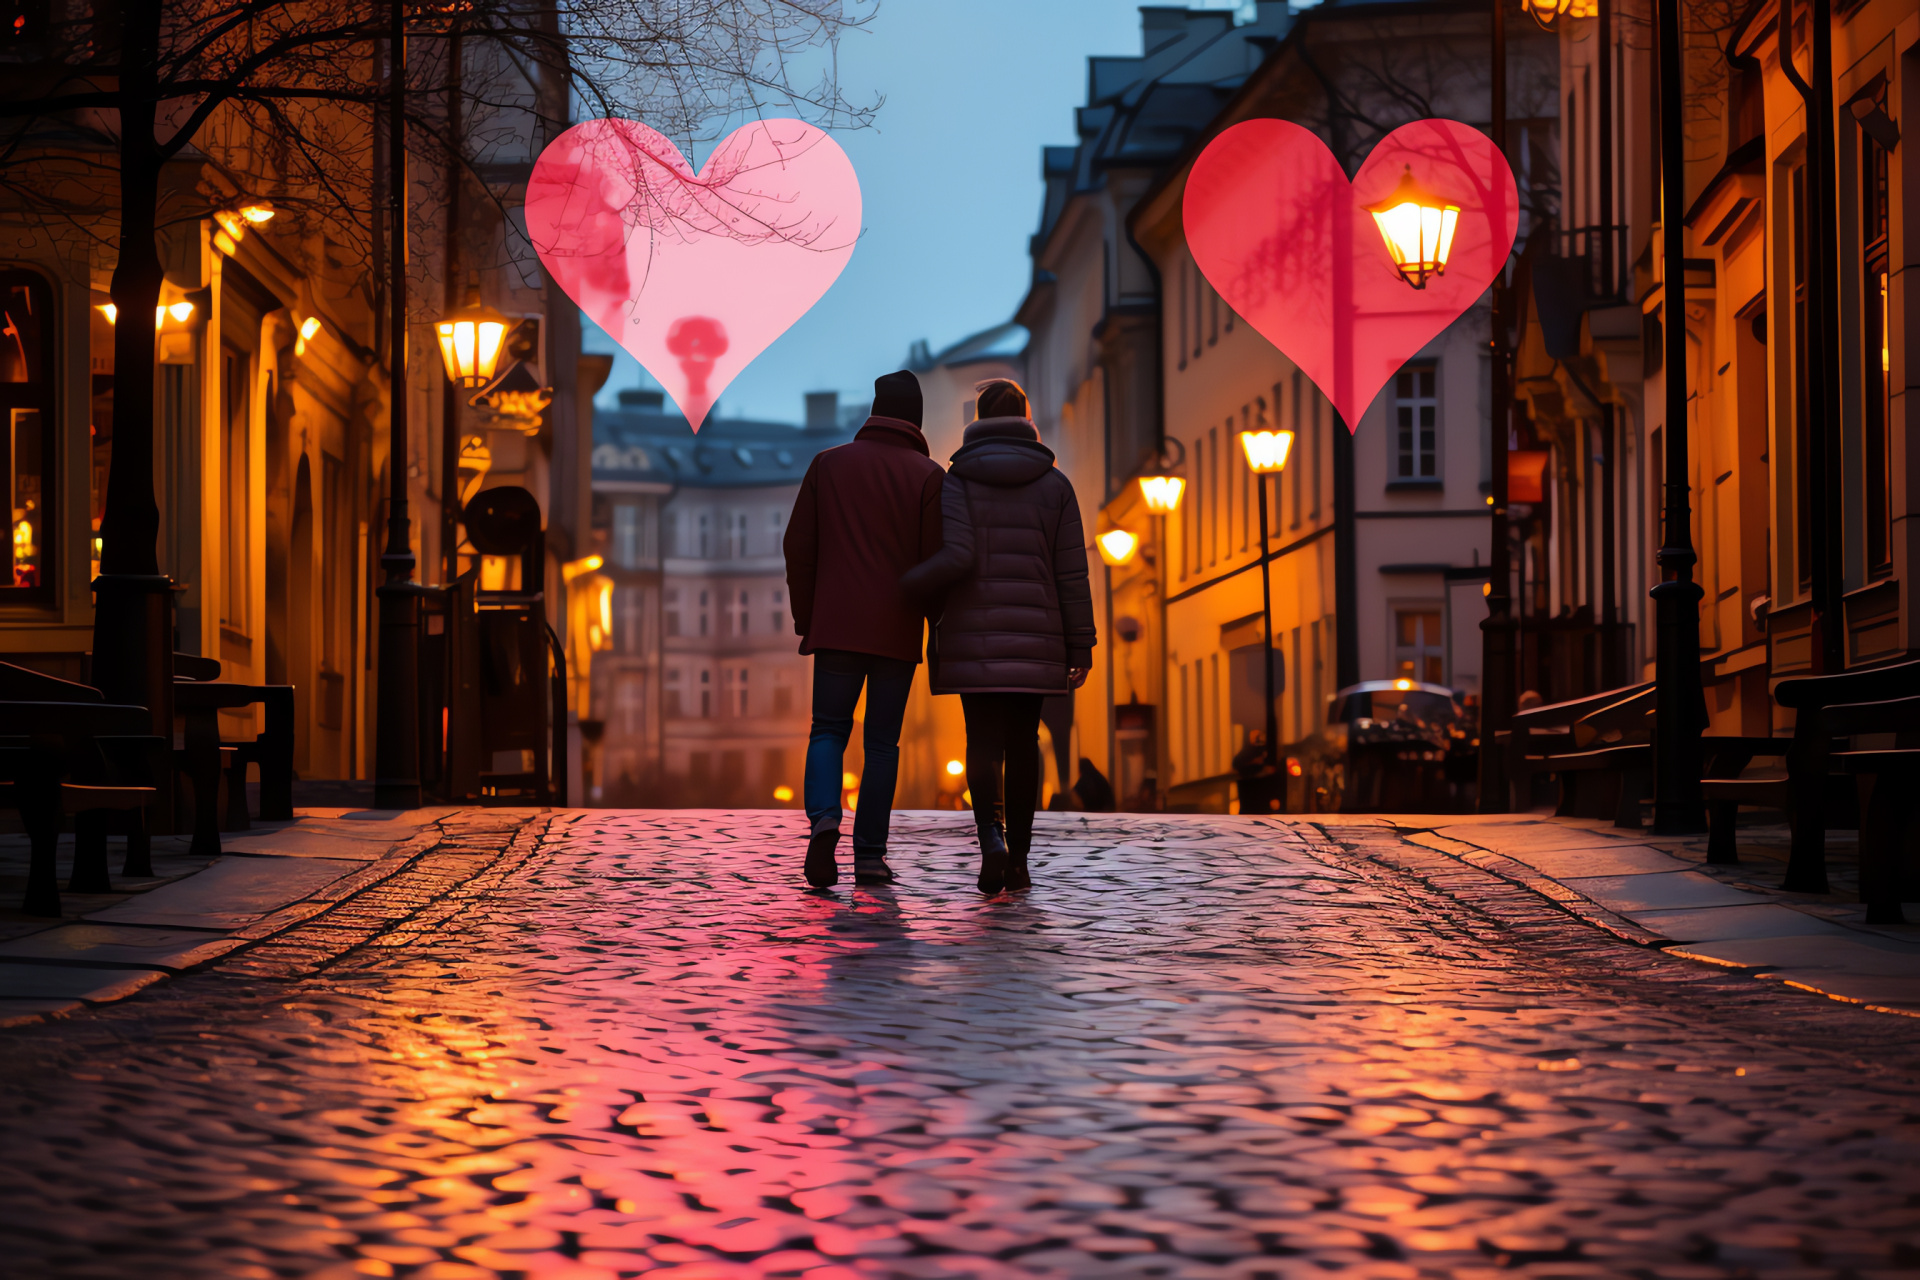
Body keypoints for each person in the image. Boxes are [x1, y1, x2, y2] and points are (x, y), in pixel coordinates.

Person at [902, 378, 1096, 894]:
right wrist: (1081, 644)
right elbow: (1070, 573)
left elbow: (945, 557)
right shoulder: (1056, 486)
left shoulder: (957, 481)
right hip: (1037, 638)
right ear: (1026, 417)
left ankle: (991, 837)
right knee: (1023, 743)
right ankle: (1021, 859)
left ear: (979, 419)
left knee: (982, 741)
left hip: (972, 634)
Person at [783, 370, 945, 889]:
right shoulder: (927, 476)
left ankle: (825, 819)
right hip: (895, 633)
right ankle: (871, 854)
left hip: (835, 626)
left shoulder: (827, 465)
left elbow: (798, 545)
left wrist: (808, 615)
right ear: (915, 418)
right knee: (882, 745)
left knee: (828, 729)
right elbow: (935, 561)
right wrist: (929, 620)